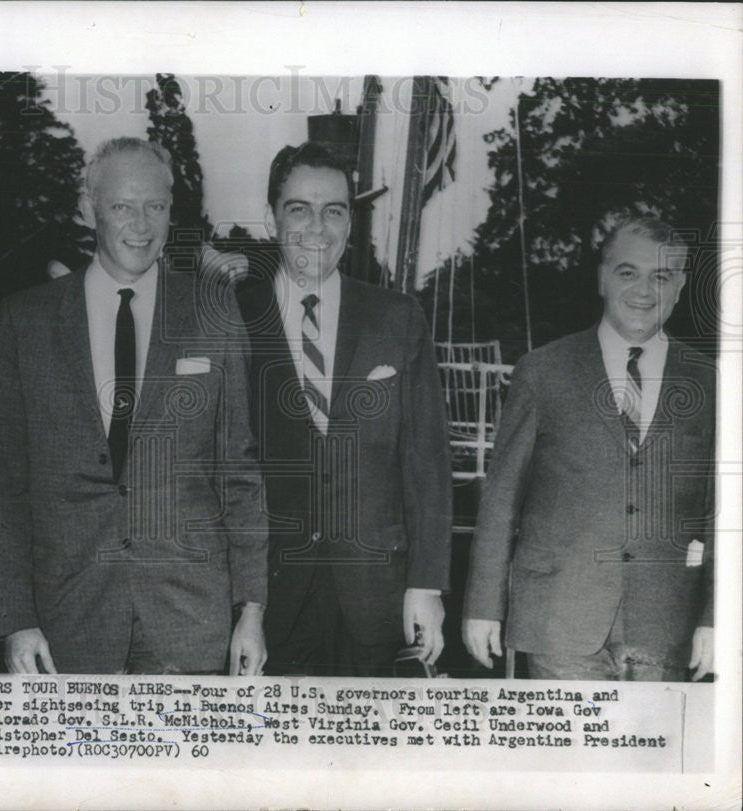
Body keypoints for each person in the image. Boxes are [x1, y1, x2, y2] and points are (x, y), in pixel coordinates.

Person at [0, 137, 267, 675]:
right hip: (66, 624)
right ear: (87, 210)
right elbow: (4, 487)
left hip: (188, 624)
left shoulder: (214, 311)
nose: (141, 224)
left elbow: (239, 473)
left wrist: (251, 611)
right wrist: (16, 619)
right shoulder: (27, 320)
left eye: (155, 206)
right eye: (121, 207)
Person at [463, 215, 715, 682]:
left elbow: (722, 515)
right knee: (569, 757)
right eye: (627, 272)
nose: (643, 290)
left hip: (665, 629)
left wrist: (714, 617)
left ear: (680, 287)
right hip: (557, 623)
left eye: (661, 276)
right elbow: (500, 503)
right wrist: (483, 607)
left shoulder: (710, 382)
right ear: (602, 278)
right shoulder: (542, 372)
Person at [235, 142, 453, 677]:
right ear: (271, 218)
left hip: (378, 601)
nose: (317, 226)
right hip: (268, 602)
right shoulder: (231, 319)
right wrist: (243, 603)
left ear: (350, 223)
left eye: (333, 210)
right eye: (298, 209)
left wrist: (426, 584)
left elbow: (426, 461)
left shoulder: (397, 318)